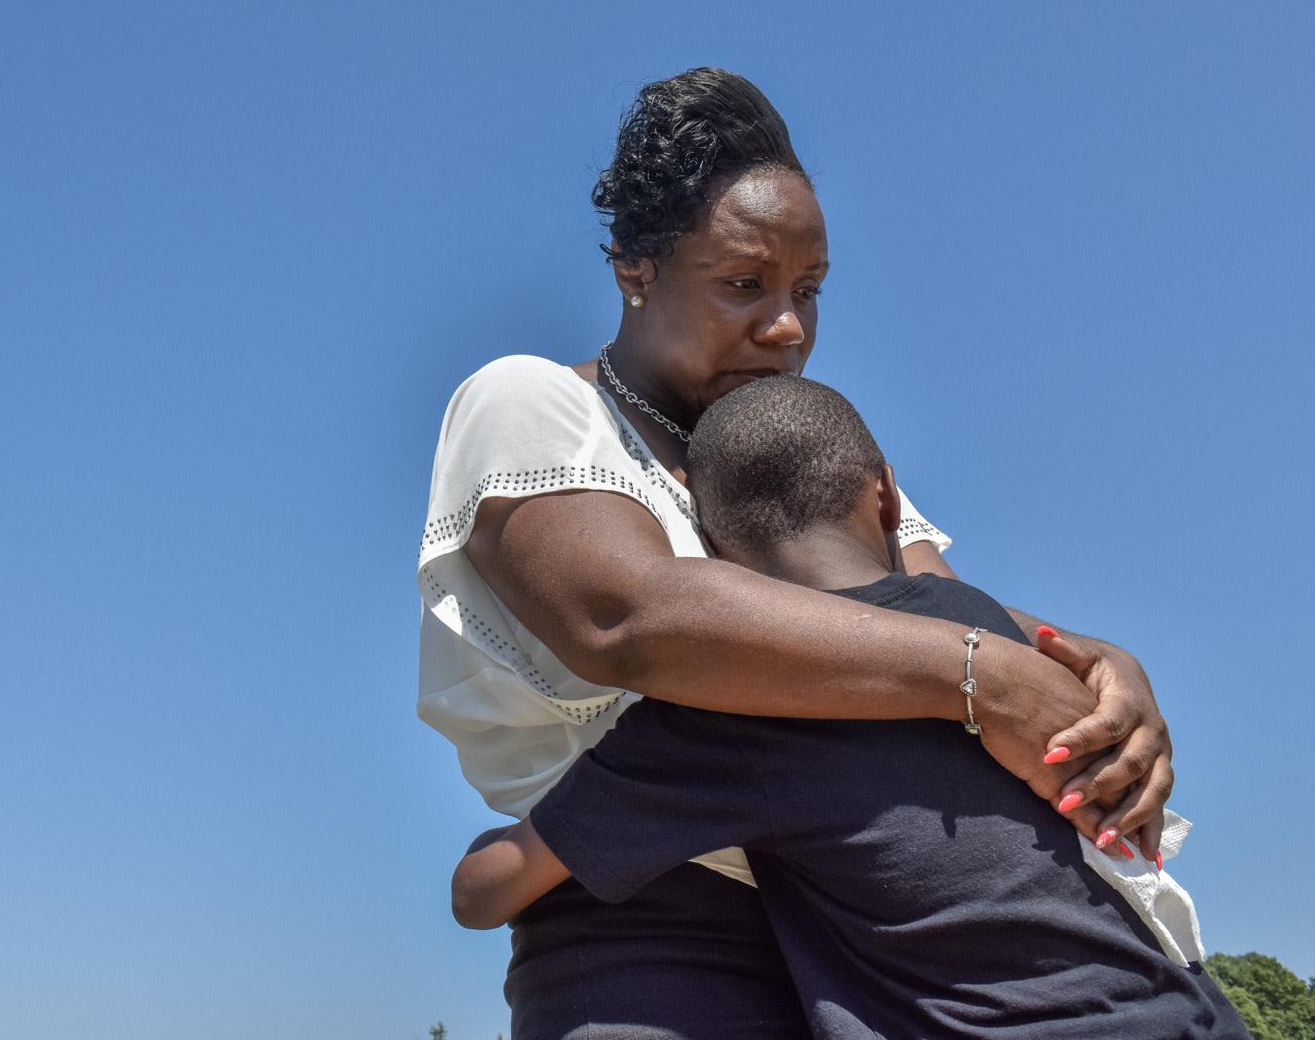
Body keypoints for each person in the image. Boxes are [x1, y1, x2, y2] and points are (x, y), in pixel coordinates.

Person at [416, 68, 1179, 1039]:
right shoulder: (534, 405)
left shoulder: (800, 456)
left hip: (875, 934)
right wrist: (985, 678)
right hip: (649, 939)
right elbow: (630, 622)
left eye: (807, 292)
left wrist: (1103, 673)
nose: (786, 330)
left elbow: (934, 607)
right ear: (632, 268)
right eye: (743, 285)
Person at [449, 375, 1241, 1038]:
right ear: (890, 498)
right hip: (1183, 1004)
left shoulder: (730, 710)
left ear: (715, 557)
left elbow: (482, 892)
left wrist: (498, 838)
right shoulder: (1003, 637)